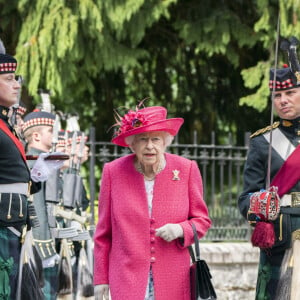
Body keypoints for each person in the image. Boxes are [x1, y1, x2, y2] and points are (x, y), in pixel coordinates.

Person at [93, 104, 211, 300]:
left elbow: (202, 220)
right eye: (142, 139)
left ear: (165, 142)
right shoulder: (113, 172)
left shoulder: (186, 169)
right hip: (126, 278)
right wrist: (101, 280)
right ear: (132, 144)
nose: (150, 146)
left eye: (156, 139)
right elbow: (103, 235)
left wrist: (181, 229)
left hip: (174, 278)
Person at [238, 46, 300, 298]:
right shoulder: (263, 142)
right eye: (277, 95)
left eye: (291, 93)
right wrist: (259, 205)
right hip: (280, 240)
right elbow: (245, 199)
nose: (283, 100)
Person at [0, 40, 40, 299]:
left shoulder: (5, 125)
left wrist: (36, 176)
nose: (17, 85)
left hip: (14, 224)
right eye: (9, 78)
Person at [22, 110, 60, 300]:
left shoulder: (42, 159)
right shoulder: (34, 161)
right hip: (39, 242)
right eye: (50, 130)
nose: (54, 135)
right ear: (36, 135)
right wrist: (44, 244)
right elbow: (36, 205)